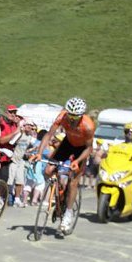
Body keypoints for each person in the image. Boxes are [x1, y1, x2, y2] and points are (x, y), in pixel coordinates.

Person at [34, 97, 95, 232]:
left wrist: (77, 162)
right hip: (67, 144)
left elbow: (89, 149)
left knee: (73, 182)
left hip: (81, 150)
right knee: (48, 171)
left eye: (75, 117)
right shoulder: (62, 117)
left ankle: (68, 213)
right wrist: (39, 152)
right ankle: (60, 191)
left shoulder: (88, 125)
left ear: (81, 115)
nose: (72, 120)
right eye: (70, 116)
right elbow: (49, 135)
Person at [7, 119, 36, 207]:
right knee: (10, 180)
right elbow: (11, 143)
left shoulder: (30, 138)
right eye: (28, 125)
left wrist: (30, 151)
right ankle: (8, 197)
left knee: (20, 181)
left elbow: (25, 148)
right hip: (14, 160)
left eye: (31, 126)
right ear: (24, 126)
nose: (29, 127)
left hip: (21, 161)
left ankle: (17, 199)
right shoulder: (20, 134)